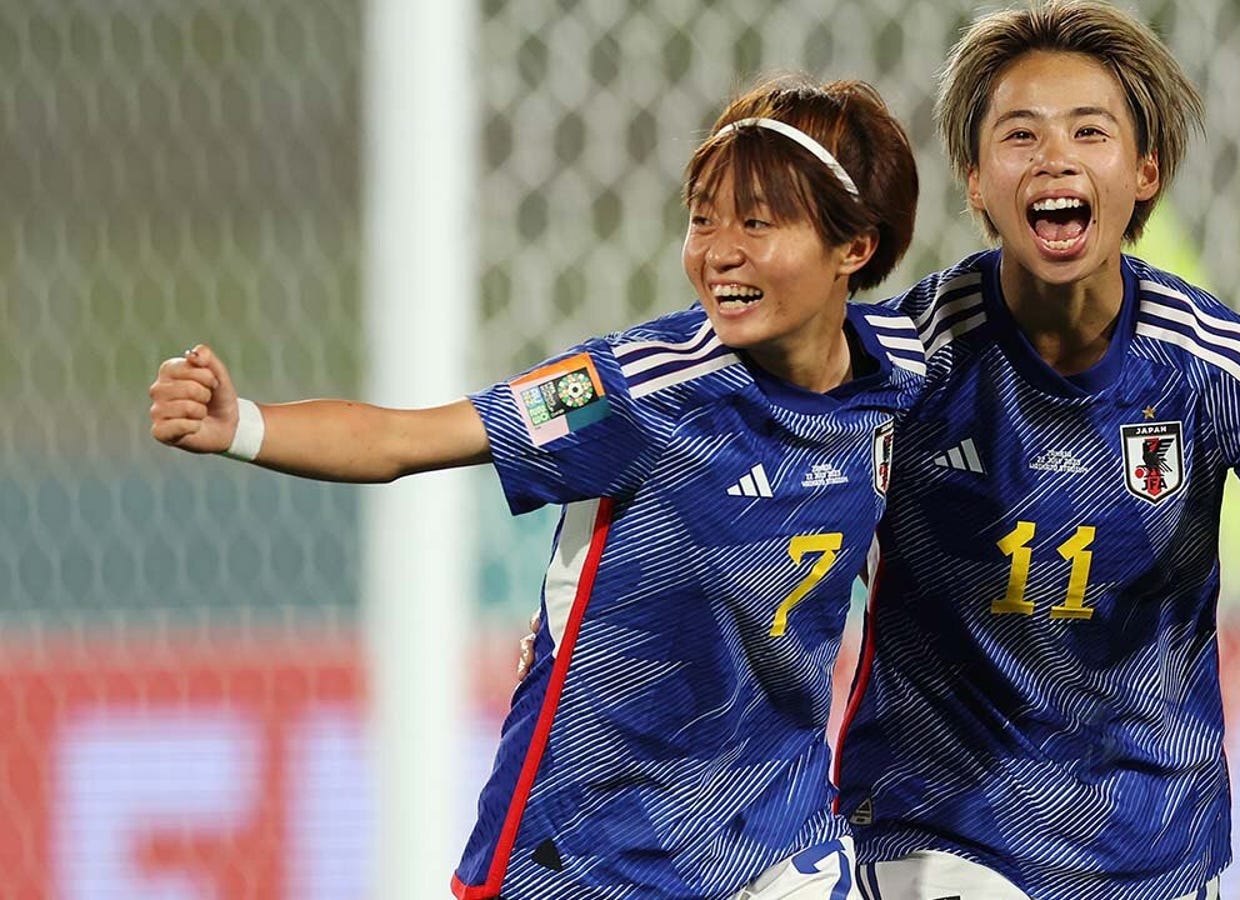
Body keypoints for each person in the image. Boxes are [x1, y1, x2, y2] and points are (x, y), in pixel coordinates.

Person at [148, 74, 924, 900]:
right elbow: (404, 439)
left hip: (779, 835)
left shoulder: (904, 374)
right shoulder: (635, 389)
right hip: (594, 850)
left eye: (758, 223)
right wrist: (239, 426)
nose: (716, 251)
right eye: (702, 217)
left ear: (856, 248)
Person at [832, 3, 1240, 898]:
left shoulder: (1224, 371)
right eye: (1019, 134)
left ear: (1144, 171)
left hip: (1155, 848)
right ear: (977, 182)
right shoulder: (909, 360)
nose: (1055, 158)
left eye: (1089, 131)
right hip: (937, 827)